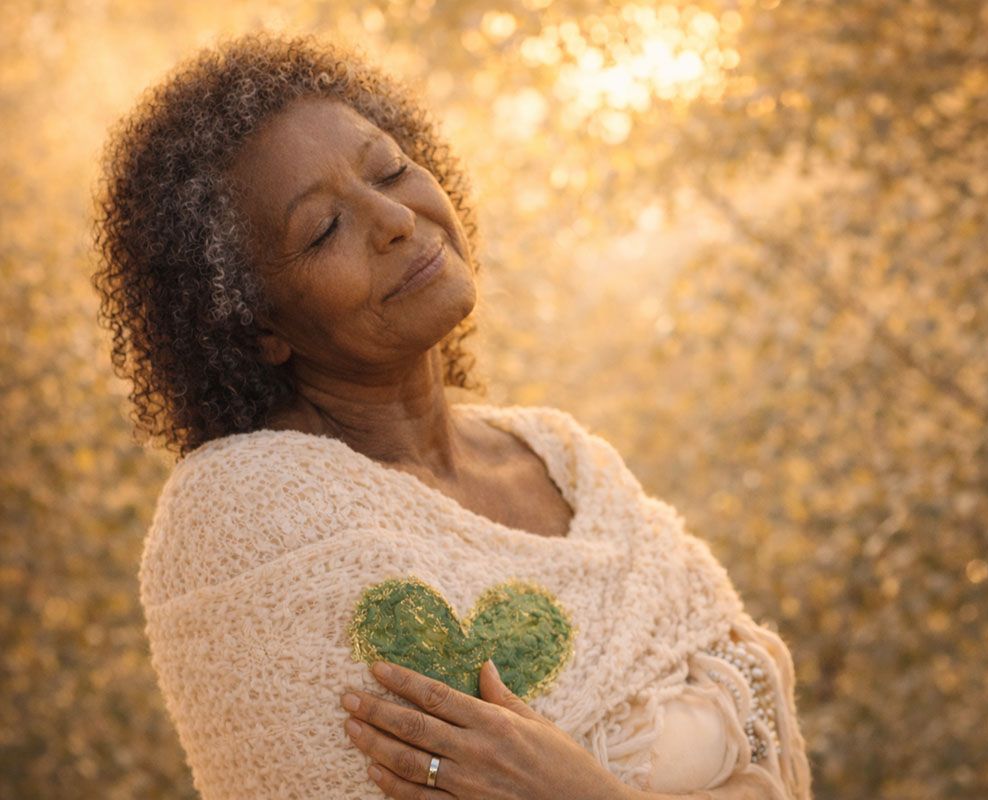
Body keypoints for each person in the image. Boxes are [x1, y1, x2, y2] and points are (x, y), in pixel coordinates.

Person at [92, 31, 814, 800]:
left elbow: (757, 714)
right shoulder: (248, 522)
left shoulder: (565, 459)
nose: (395, 218)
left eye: (392, 169)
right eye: (324, 230)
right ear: (255, 325)